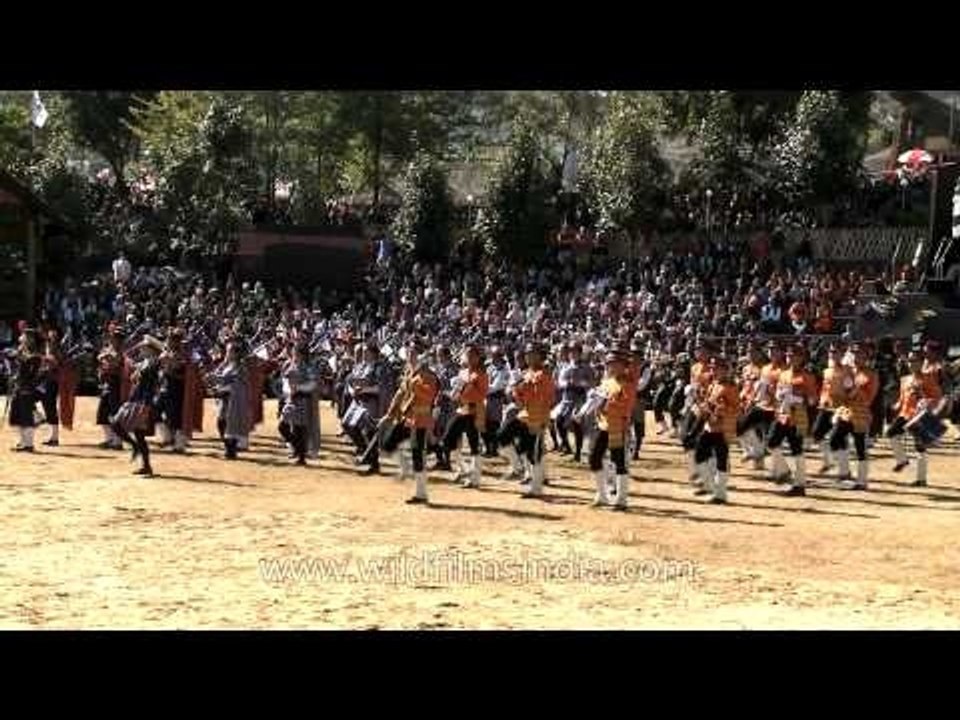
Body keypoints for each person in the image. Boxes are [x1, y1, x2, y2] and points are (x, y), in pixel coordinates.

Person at [379, 338, 440, 505]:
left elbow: (429, 395)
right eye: (409, 353)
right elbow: (400, 393)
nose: (409, 356)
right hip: (407, 417)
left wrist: (415, 385)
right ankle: (406, 468)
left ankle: (421, 493)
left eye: (413, 353)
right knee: (387, 444)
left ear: (421, 356)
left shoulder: (428, 375)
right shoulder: (409, 372)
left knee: (418, 454)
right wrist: (390, 414)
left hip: (420, 418)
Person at [505, 342, 555, 499]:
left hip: (537, 416)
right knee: (503, 438)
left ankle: (536, 487)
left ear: (541, 356)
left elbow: (541, 398)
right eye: (527, 354)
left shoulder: (544, 374)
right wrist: (515, 390)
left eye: (533, 354)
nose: (528, 357)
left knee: (534, 452)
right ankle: (521, 470)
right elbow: (520, 401)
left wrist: (523, 389)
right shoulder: (526, 373)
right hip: (524, 415)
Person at [768, 343, 819, 497]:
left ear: (801, 358)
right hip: (783, 413)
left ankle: (800, 484)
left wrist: (798, 398)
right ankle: (784, 470)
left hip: (798, 416)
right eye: (789, 355)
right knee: (771, 442)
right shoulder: (783, 373)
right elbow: (778, 391)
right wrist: (778, 395)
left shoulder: (807, 376)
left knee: (796, 449)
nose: (791, 358)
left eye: (794, 355)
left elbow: (812, 400)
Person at [886, 350, 943, 487]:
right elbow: (901, 399)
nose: (912, 364)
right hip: (905, 414)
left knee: (920, 447)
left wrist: (923, 396)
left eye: (915, 361)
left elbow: (937, 398)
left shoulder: (928, 378)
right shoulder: (905, 379)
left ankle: (921, 479)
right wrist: (895, 406)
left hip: (919, 416)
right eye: (910, 361)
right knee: (891, 433)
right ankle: (902, 460)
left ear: (921, 362)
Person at [111, 336, 163, 477]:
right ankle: (138, 452)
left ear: (151, 349)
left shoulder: (154, 362)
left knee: (134, 432)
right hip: (136, 398)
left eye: (144, 346)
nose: (141, 348)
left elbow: (159, 360)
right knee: (117, 424)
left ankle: (146, 465)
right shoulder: (146, 362)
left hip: (143, 401)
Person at [588, 347, 632, 511]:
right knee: (594, 457)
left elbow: (626, 406)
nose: (611, 367)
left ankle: (621, 499)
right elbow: (598, 401)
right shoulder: (606, 381)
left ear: (623, 366)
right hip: (603, 424)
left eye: (615, 363)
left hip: (617, 426)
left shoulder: (627, 384)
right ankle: (602, 495)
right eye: (610, 363)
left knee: (618, 460)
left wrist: (607, 406)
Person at [830, 342, 879, 490]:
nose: (857, 356)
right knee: (834, 439)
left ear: (866, 356)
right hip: (846, 411)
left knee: (859, 446)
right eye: (855, 354)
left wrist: (854, 390)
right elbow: (840, 392)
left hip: (861, 413)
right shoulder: (848, 371)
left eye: (860, 354)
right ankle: (845, 470)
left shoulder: (872, 374)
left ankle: (862, 481)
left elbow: (870, 397)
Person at [692, 355, 739, 504]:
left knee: (721, 459)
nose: (713, 370)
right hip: (710, 426)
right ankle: (711, 485)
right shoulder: (713, 384)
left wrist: (720, 410)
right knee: (699, 454)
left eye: (716, 368)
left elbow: (736, 408)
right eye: (712, 367)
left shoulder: (730, 387)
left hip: (723, 427)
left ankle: (720, 493)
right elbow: (708, 402)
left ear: (725, 370)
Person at [443, 344, 488, 488]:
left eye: (472, 355)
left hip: (475, 410)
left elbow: (482, 394)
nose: (469, 358)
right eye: (467, 355)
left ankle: (475, 478)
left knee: (474, 444)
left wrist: (469, 387)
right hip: (462, 409)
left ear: (477, 357)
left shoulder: (481, 374)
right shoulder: (462, 373)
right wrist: (454, 394)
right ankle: (463, 469)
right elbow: (456, 393)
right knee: (448, 439)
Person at [7, 328, 42, 452]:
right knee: (16, 417)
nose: (22, 337)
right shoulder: (21, 351)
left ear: (30, 339)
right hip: (18, 387)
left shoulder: (35, 355)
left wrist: (19, 356)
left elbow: (31, 369)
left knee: (27, 417)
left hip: (27, 388)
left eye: (25, 336)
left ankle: (29, 444)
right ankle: (23, 442)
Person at [96, 325, 128, 450]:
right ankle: (109, 439)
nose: (114, 339)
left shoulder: (122, 351)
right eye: (114, 337)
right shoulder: (109, 349)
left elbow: (114, 362)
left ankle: (118, 441)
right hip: (107, 383)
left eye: (117, 337)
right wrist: (105, 357)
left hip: (116, 384)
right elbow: (101, 359)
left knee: (115, 413)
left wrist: (106, 357)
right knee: (102, 413)